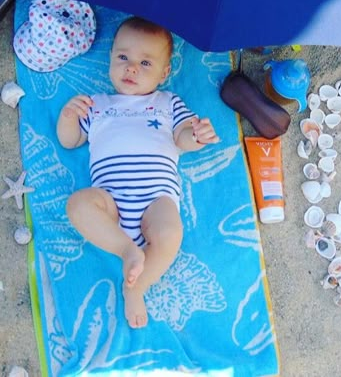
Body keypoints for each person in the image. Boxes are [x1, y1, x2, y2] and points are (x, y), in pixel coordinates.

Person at [56, 16, 220, 328]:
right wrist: (68, 116)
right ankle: (127, 249)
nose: (131, 68)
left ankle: (137, 286)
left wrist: (197, 136)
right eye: (123, 58)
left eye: (146, 63)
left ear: (165, 72)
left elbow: (182, 137)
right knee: (77, 204)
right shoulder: (97, 104)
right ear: (110, 59)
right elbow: (70, 140)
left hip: (155, 198)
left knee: (170, 233)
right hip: (110, 202)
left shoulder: (168, 102)